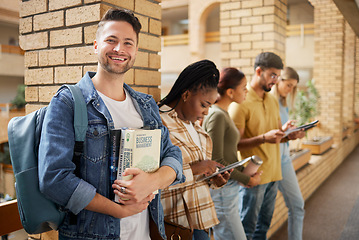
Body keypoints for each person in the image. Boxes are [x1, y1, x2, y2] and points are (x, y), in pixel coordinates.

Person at [38, 8, 185, 240]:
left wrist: (152, 181)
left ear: (136, 51)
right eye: (111, 40)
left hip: (146, 233)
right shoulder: (68, 102)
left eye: (128, 43)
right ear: (96, 45)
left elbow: (173, 154)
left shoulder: (146, 104)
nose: (119, 49)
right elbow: (54, 179)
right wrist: (119, 210)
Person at [158, 59, 231, 240]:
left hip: (202, 221)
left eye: (210, 106)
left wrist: (214, 179)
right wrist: (196, 169)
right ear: (186, 94)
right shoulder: (159, 123)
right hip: (177, 226)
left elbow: (197, 180)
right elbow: (152, 184)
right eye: (204, 105)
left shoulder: (197, 128)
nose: (206, 112)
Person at [228, 52, 297, 239]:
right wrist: (263, 138)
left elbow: (275, 134)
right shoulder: (241, 102)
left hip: (274, 174)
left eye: (278, 76)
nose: (275, 80)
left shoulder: (272, 100)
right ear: (259, 71)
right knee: (247, 230)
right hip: (255, 177)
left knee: (263, 227)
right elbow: (234, 145)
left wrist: (288, 134)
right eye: (273, 75)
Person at [203, 67, 262, 240]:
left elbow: (227, 155)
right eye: (244, 88)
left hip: (228, 188)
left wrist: (245, 172)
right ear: (230, 92)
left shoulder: (223, 114)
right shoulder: (217, 116)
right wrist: (247, 179)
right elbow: (216, 160)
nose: (246, 91)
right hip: (223, 189)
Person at [270, 67, 305, 240]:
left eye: (293, 87)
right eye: (288, 85)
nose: (290, 89)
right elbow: (269, 132)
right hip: (270, 161)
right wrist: (285, 133)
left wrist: (293, 133)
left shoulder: (283, 103)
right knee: (260, 216)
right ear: (279, 80)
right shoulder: (269, 101)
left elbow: (281, 133)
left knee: (298, 205)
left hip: (284, 159)